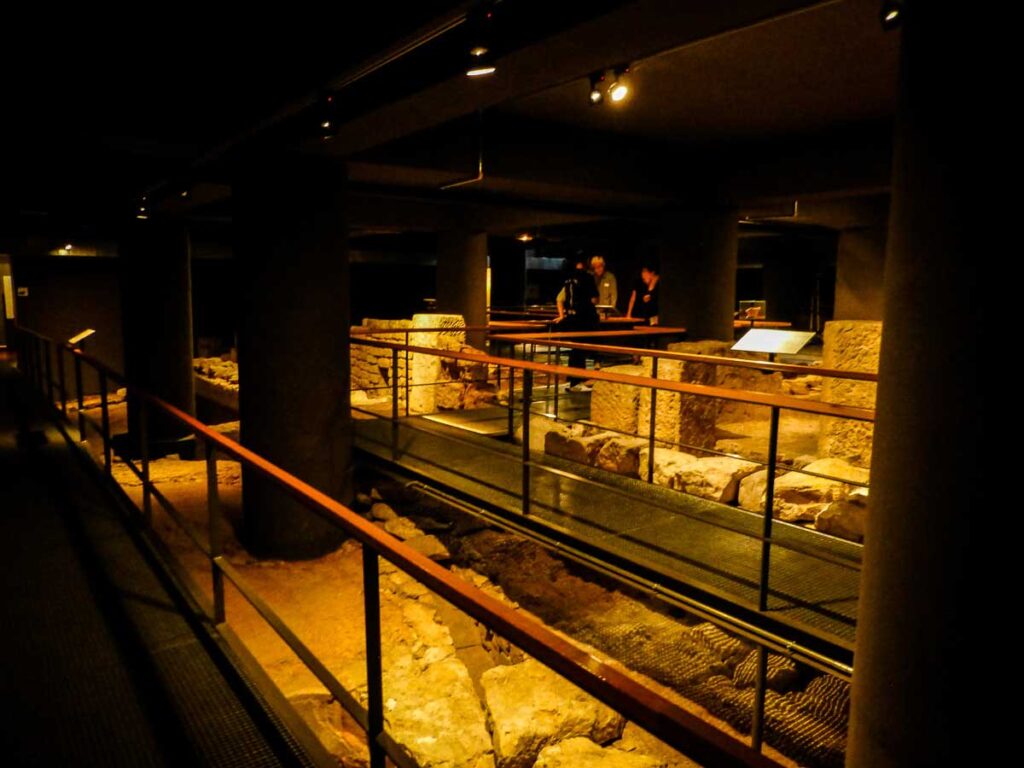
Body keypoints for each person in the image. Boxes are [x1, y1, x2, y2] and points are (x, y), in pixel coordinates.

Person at [555, 259, 599, 391]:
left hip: (572, 318)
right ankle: (578, 380)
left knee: (575, 350)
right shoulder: (588, 278)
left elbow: (559, 299)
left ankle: (573, 380)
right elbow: (595, 299)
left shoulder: (568, 280)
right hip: (585, 318)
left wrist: (562, 316)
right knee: (581, 349)